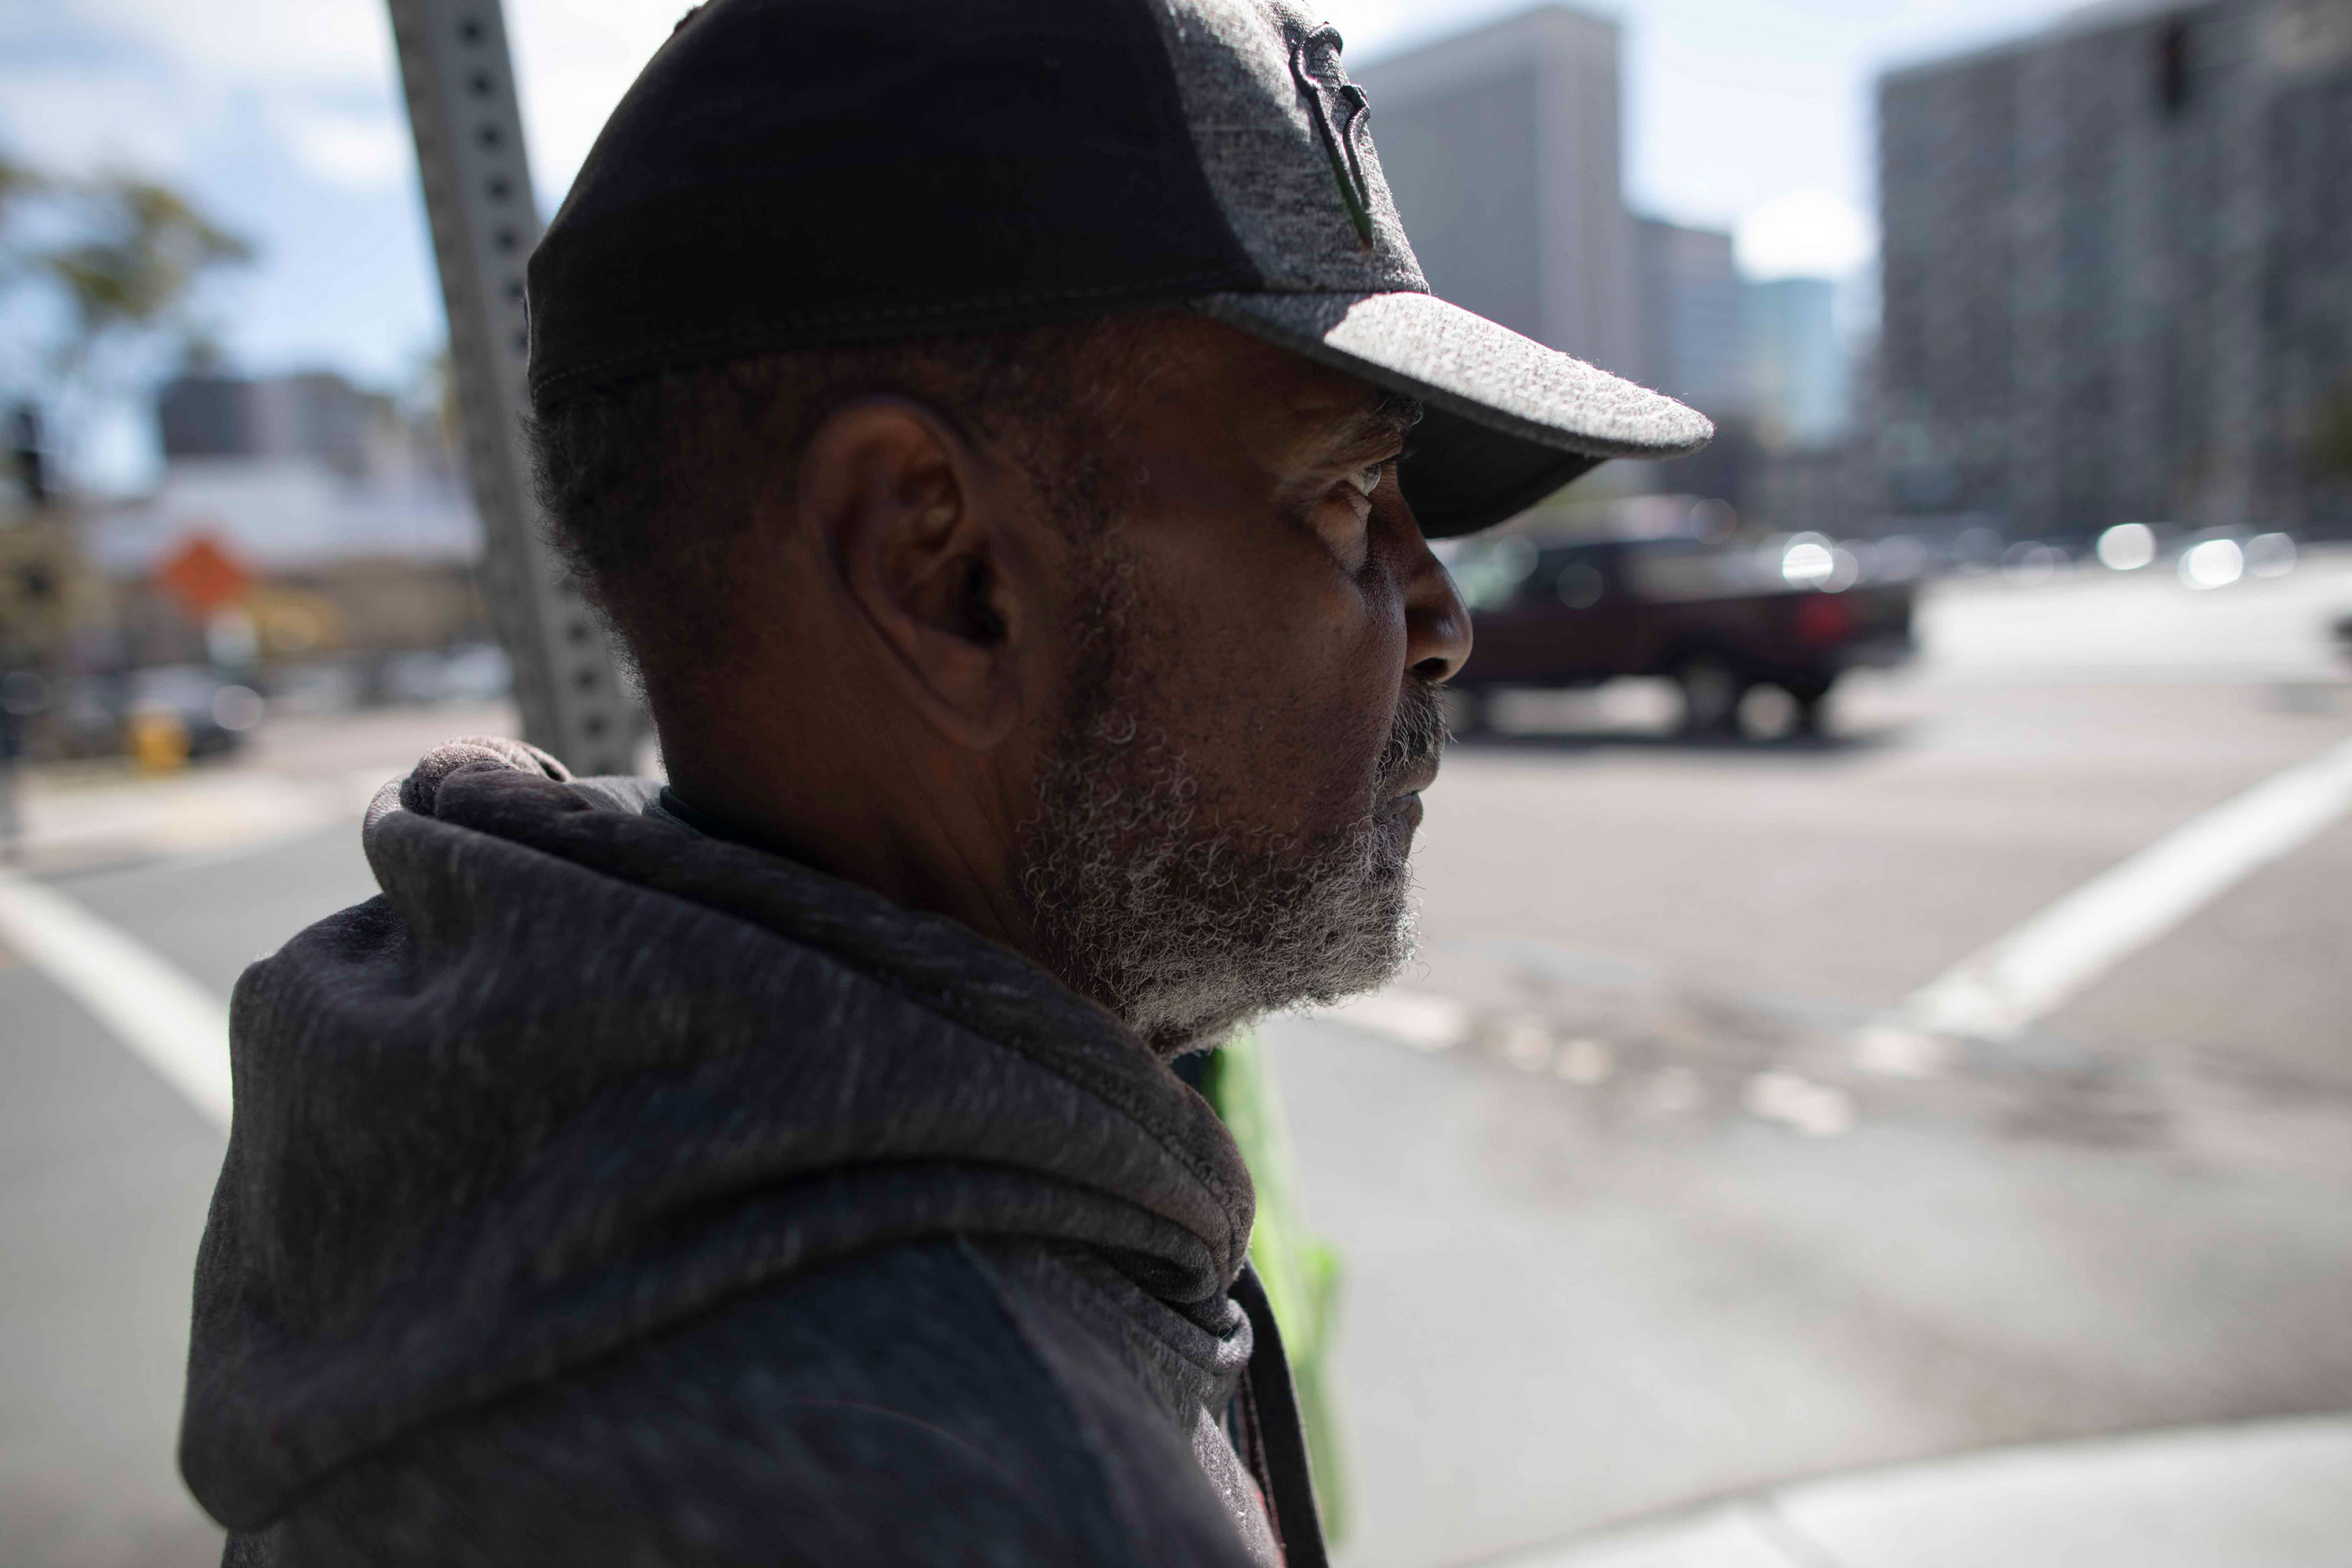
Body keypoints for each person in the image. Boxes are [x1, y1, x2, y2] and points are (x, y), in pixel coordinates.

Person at [177, 1, 1708, 1563]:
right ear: (944, 567)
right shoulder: (996, 1496)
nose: (1441, 618)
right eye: (1344, 495)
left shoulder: (578, 1149)